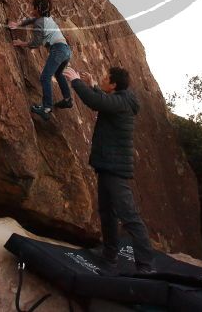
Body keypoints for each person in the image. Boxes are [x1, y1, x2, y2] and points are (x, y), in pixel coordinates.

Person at [63, 65, 156, 273]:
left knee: (128, 216)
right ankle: (109, 255)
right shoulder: (121, 99)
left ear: (113, 85)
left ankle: (146, 266)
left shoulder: (122, 101)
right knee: (107, 213)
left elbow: (97, 102)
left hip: (115, 168)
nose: (102, 79)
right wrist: (94, 85)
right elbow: (105, 101)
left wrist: (76, 81)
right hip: (107, 165)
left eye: (106, 78)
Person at [9, 0, 73, 121]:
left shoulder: (40, 22)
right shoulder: (46, 19)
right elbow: (32, 20)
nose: (31, 8)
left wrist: (21, 43)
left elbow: (36, 43)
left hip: (58, 49)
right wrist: (19, 24)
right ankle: (68, 99)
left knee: (45, 77)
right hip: (66, 50)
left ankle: (46, 108)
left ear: (37, 8)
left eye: (33, 6)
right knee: (58, 74)